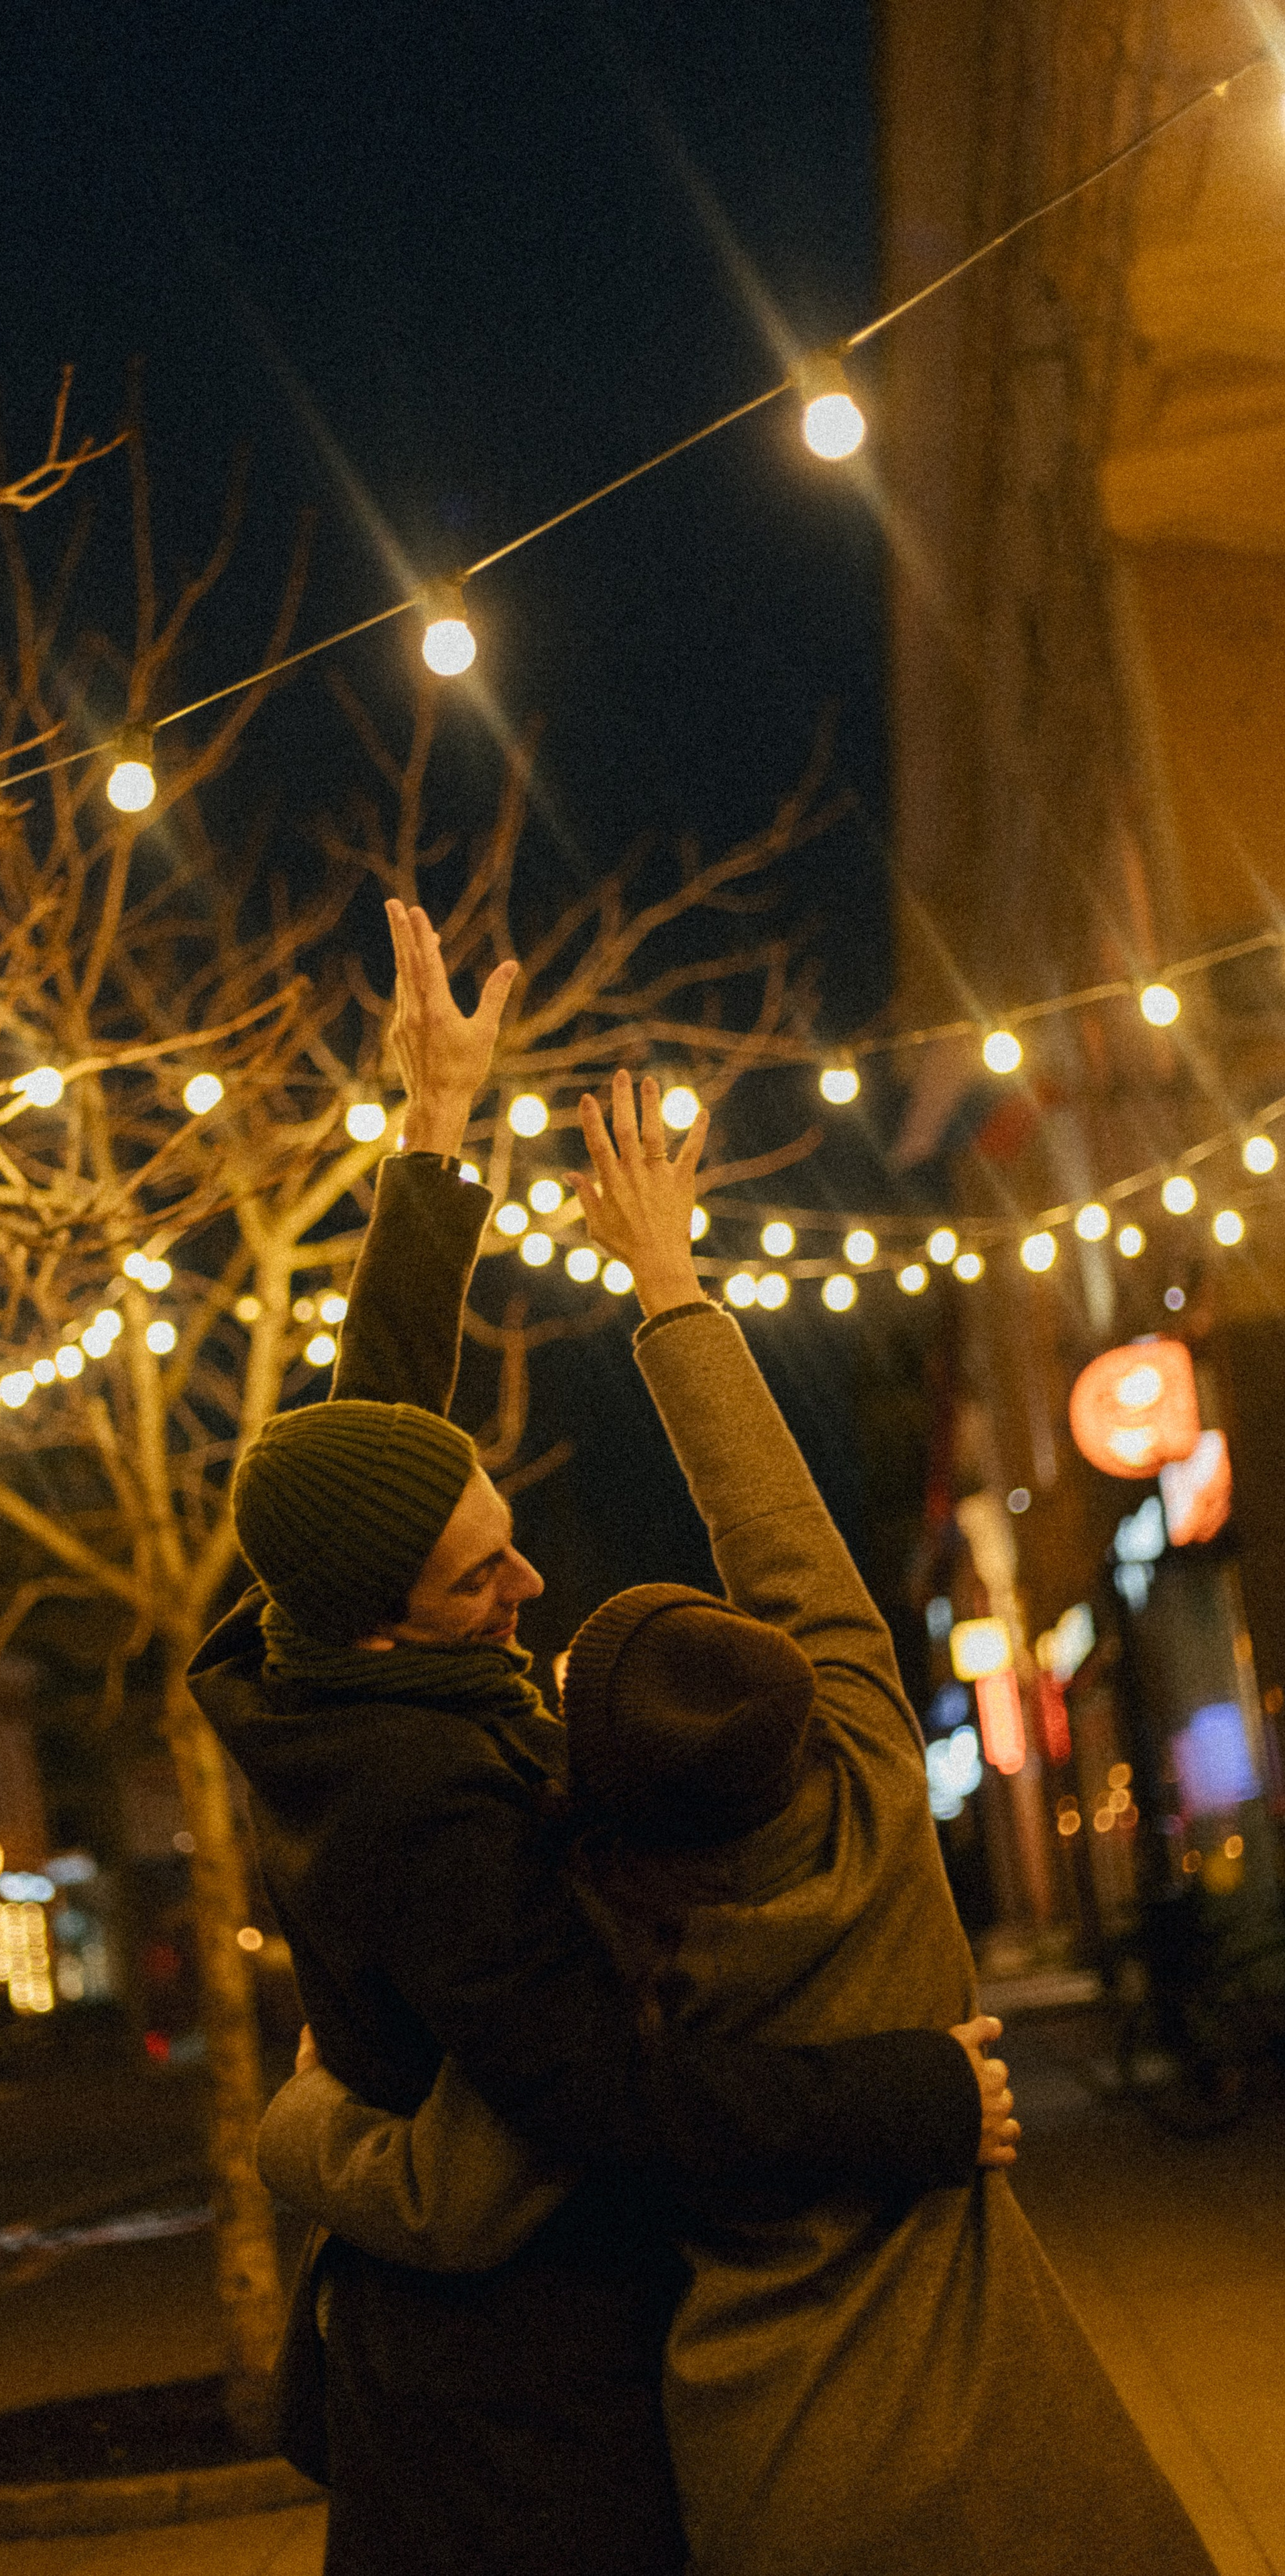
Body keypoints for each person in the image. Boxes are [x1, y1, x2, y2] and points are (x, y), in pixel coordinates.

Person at [257, 1067, 1217, 2576]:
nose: (521, 1588)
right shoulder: (875, 1773)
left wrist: (300, 2126)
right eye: (481, 1577)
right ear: (815, 1695)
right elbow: (774, 1526)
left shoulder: (611, 1921)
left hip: (770, 2454)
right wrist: (667, 1277)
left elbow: (463, 2183)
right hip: (999, 2414)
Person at [188, 904, 1015, 2576]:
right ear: (376, 1621)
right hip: (509, 2423)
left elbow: (379, 1440)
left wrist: (432, 1131)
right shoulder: (430, 1808)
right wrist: (915, 2093)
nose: (525, 1582)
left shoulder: (312, 1663)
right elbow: (604, 2098)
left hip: (445, 2370)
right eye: (476, 1575)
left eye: (504, 1535)